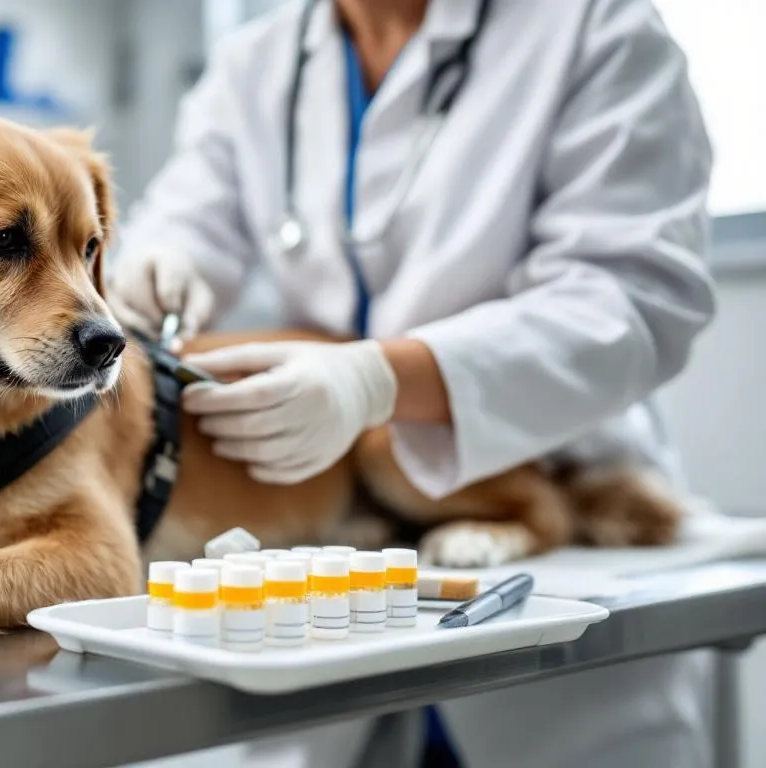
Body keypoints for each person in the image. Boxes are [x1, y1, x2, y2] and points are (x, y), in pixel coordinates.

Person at [109, 0, 716, 766]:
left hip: (553, 520)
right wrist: (161, 263)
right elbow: (191, 215)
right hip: (347, 562)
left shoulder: (593, 28)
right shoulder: (260, 59)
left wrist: (377, 381)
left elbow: (631, 301)